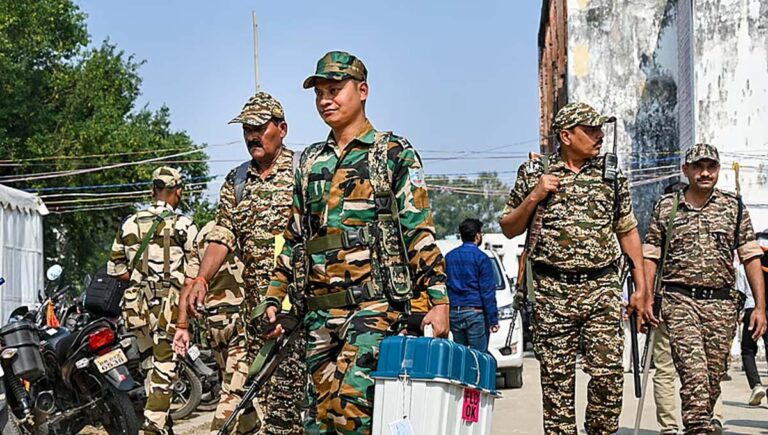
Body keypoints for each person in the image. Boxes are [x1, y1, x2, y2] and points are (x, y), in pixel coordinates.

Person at [263, 50, 450, 434]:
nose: (326, 100)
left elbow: (418, 230)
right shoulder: (310, 161)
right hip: (318, 315)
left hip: (374, 309)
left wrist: (439, 299)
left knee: (355, 417)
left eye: (335, 89)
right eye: (319, 93)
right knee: (319, 423)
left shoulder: (392, 153)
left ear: (362, 91)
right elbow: (295, 237)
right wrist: (273, 296)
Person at [500, 102, 651, 434]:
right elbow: (509, 227)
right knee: (556, 386)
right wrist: (535, 195)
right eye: (591, 130)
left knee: (609, 376)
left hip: (601, 289)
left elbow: (627, 231)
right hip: (552, 293)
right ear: (566, 136)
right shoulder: (534, 173)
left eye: (600, 130)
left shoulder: (610, 175)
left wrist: (642, 289)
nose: (599, 136)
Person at [174, 92, 306, 434]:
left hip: (301, 316)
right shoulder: (236, 181)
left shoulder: (304, 172)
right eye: (247, 128)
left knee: (297, 411)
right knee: (260, 406)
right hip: (258, 317)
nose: (252, 135)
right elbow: (222, 234)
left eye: (260, 127)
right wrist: (202, 279)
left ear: (283, 129)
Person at [643, 143, 767, 434]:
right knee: (694, 375)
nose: (705, 173)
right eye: (698, 167)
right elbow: (651, 254)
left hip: (721, 306)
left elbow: (750, 255)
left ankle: (703, 424)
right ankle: (698, 428)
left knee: (712, 379)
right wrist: (646, 296)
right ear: (686, 170)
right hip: (680, 301)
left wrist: (760, 307)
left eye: (711, 167)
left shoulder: (733, 207)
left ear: (718, 170)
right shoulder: (667, 207)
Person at [107, 166, 198, 434]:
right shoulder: (183, 224)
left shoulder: (129, 223)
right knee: (165, 368)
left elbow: (116, 269)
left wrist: (140, 279)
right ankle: (153, 428)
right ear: (177, 190)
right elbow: (199, 266)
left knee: (150, 367)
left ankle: (162, 425)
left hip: (137, 307)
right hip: (169, 305)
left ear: (152, 190)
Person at [184, 220, 254, 433]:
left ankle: (250, 426)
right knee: (233, 391)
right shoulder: (242, 226)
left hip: (213, 321)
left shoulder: (202, 234)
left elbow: (190, 281)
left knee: (236, 383)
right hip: (240, 318)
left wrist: (182, 323)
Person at [445, 218, 499, 352]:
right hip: (475, 313)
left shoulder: (449, 257)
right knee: (478, 357)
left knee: (461, 356)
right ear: (477, 235)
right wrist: (493, 319)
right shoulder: (481, 258)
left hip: (454, 313)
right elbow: (487, 292)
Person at [739, 230, 768, 406]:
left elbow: (740, 290)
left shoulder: (746, 265)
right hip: (766, 310)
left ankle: (756, 384)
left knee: (748, 350)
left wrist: (738, 312)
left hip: (751, 310)